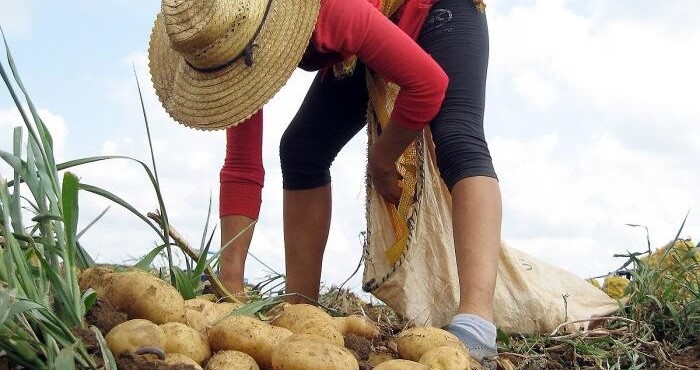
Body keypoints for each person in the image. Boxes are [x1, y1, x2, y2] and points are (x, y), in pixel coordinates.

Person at [148, 0, 501, 363]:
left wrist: (381, 160)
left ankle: (476, 324)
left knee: (458, 137)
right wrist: (230, 286)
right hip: (370, 27)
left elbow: (429, 85)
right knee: (302, 150)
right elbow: (242, 165)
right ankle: (302, 310)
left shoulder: (332, 12)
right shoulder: (226, 41)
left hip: (434, 9)